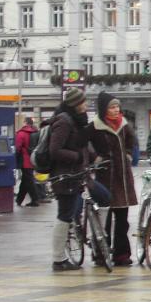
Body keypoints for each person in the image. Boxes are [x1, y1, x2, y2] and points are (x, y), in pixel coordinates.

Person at [48, 88, 110, 271]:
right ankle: (58, 259)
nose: (85, 105)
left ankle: (97, 237)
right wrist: (76, 157)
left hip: (80, 174)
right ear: (75, 104)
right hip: (66, 177)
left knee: (105, 197)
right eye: (83, 102)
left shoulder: (77, 121)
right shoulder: (63, 121)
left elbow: (80, 145)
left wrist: (94, 157)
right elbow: (55, 150)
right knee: (65, 215)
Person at [87, 91, 138, 266]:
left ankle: (121, 254)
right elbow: (83, 145)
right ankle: (102, 253)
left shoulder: (124, 125)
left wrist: (129, 155)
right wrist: (94, 158)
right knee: (104, 219)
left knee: (122, 220)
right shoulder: (94, 126)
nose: (116, 110)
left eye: (117, 106)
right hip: (105, 177)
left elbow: (132, 141)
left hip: (122, 177)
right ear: (103, 109)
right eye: (112, 107)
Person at [14, 117, 40, 207]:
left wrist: (15, 159)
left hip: (25, 160)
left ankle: (35, 199)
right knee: (25, 180)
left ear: (25, 123)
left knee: (29, 180)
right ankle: (19, 200)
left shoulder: (21, 133)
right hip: (34, 159)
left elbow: (17, 148)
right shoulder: (36, 132)